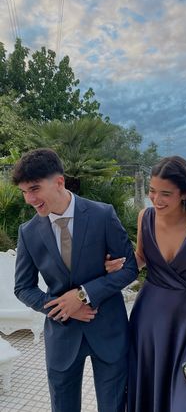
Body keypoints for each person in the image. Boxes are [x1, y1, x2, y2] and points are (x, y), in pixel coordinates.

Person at [12, 148, 138, 412]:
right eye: (24, 192)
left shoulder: (103, 214)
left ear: (59, 182)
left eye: (34, 189)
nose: (29, 199)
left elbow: (129, 269)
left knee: (114, 407)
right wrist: (60, 306)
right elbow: (23, 287)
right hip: (62, 336)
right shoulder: (28, 232)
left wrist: (83, 294)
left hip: (109, 330)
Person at [105, 155, 186, 412]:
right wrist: (122, 265)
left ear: (184, 193)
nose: (156, 200)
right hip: (148, 323)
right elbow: (141, 257)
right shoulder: (145, 217)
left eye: (165, 194)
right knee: (149, 396)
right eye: (152, 191)